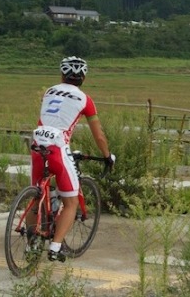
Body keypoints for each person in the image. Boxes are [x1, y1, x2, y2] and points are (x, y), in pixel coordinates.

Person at [30, 56, 115, 262]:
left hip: (37, 143)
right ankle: (56, 247)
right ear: (83, 77)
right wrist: (107, 156)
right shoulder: (85, 100)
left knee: (36, 197)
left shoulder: (49, 91)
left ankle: (31, 242)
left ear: (62, 75)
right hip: (59, 147)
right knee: (70, 202)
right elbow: (99, 135)